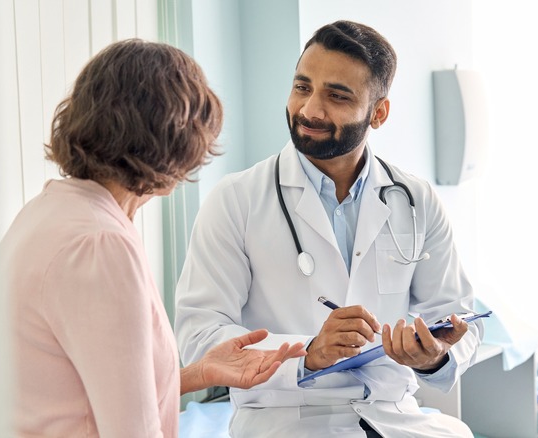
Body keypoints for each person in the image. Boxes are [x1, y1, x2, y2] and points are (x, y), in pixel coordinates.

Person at [174, 20, 483, 437]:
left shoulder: (415, 200)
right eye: (302, 87)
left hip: (393, 416)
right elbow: (199, 335)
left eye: (337, 96)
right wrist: (308, 352)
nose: (310, 110)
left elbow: (459, 317)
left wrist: (433, 355)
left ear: (379, 112)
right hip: (284, 417)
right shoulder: (236, 201)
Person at [0, 39, 305, 437]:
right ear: (173, 138)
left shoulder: (50, 211)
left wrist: (200, 373)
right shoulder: (99, 245)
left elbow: (90, 391)